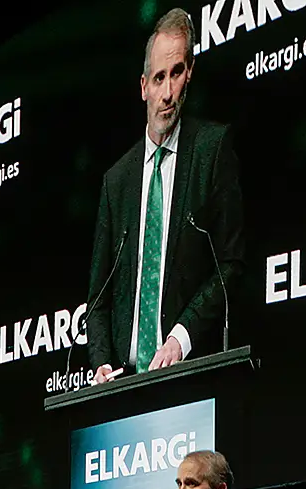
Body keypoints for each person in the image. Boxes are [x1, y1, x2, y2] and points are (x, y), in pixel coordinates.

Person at [85, 8, 245, 383]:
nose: (168, 92)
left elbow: (231, 264)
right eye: (159, 78)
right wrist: (102, 361)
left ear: (189, 73)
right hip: (124, 387)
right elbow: (97, 300)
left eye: (176, 73)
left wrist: (180, 338)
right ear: (144, 87)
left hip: (191, 375)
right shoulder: (117, 181)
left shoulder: (211, 149)